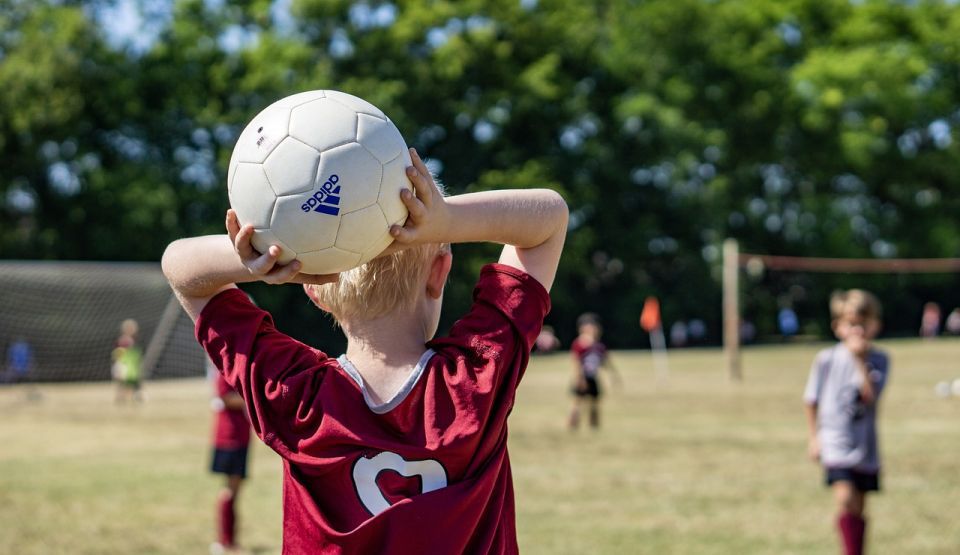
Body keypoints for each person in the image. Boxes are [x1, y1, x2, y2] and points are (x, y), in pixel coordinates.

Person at [162, 148, 568, 553]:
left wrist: (274, 252)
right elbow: (549, 218)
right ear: (439, 272)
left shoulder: (294, 395)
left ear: (314, 291)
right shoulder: (476, 379)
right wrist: (445, 220)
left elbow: (179, 266)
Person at [803, 289, 889, 555]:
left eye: (864, 324)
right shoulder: (826, 360)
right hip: (835, 440)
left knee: (859, 506)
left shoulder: (880, 360)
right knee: (845, 498)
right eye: (851, 324)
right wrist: (814, 437)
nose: (858, 331)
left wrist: (860, 360)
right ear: (838, 327)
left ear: (875, 325)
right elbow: (811, 399)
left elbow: (870, 397)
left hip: (864, 444)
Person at [208, 357, 252, 554]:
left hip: (239, 437)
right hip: (230, 439)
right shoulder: (224, 369)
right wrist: (252, 398)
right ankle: (225, 541)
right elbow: (225, 397)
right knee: (229, 490)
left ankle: (230, 540)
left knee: (234, 489)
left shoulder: (236, 367)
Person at [568, 313, 620, 431]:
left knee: (595, 402)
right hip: (582, 377)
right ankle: (573, 425)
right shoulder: (579, 344)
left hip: (592, 377)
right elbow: (576, 363)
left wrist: (613, 375)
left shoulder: (599, 346)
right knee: (577, 402)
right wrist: (579, 379)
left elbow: (605, 361)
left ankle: (594, 426)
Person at [112, 318, 143, 403]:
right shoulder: (123, 340)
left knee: (134, 380)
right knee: (123, 381)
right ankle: (121, 397)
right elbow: (118, 353)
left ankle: (136, 395)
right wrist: (119, 363)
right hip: (124, 364)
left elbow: (136, 354)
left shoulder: (135, 340)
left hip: (132, 365)